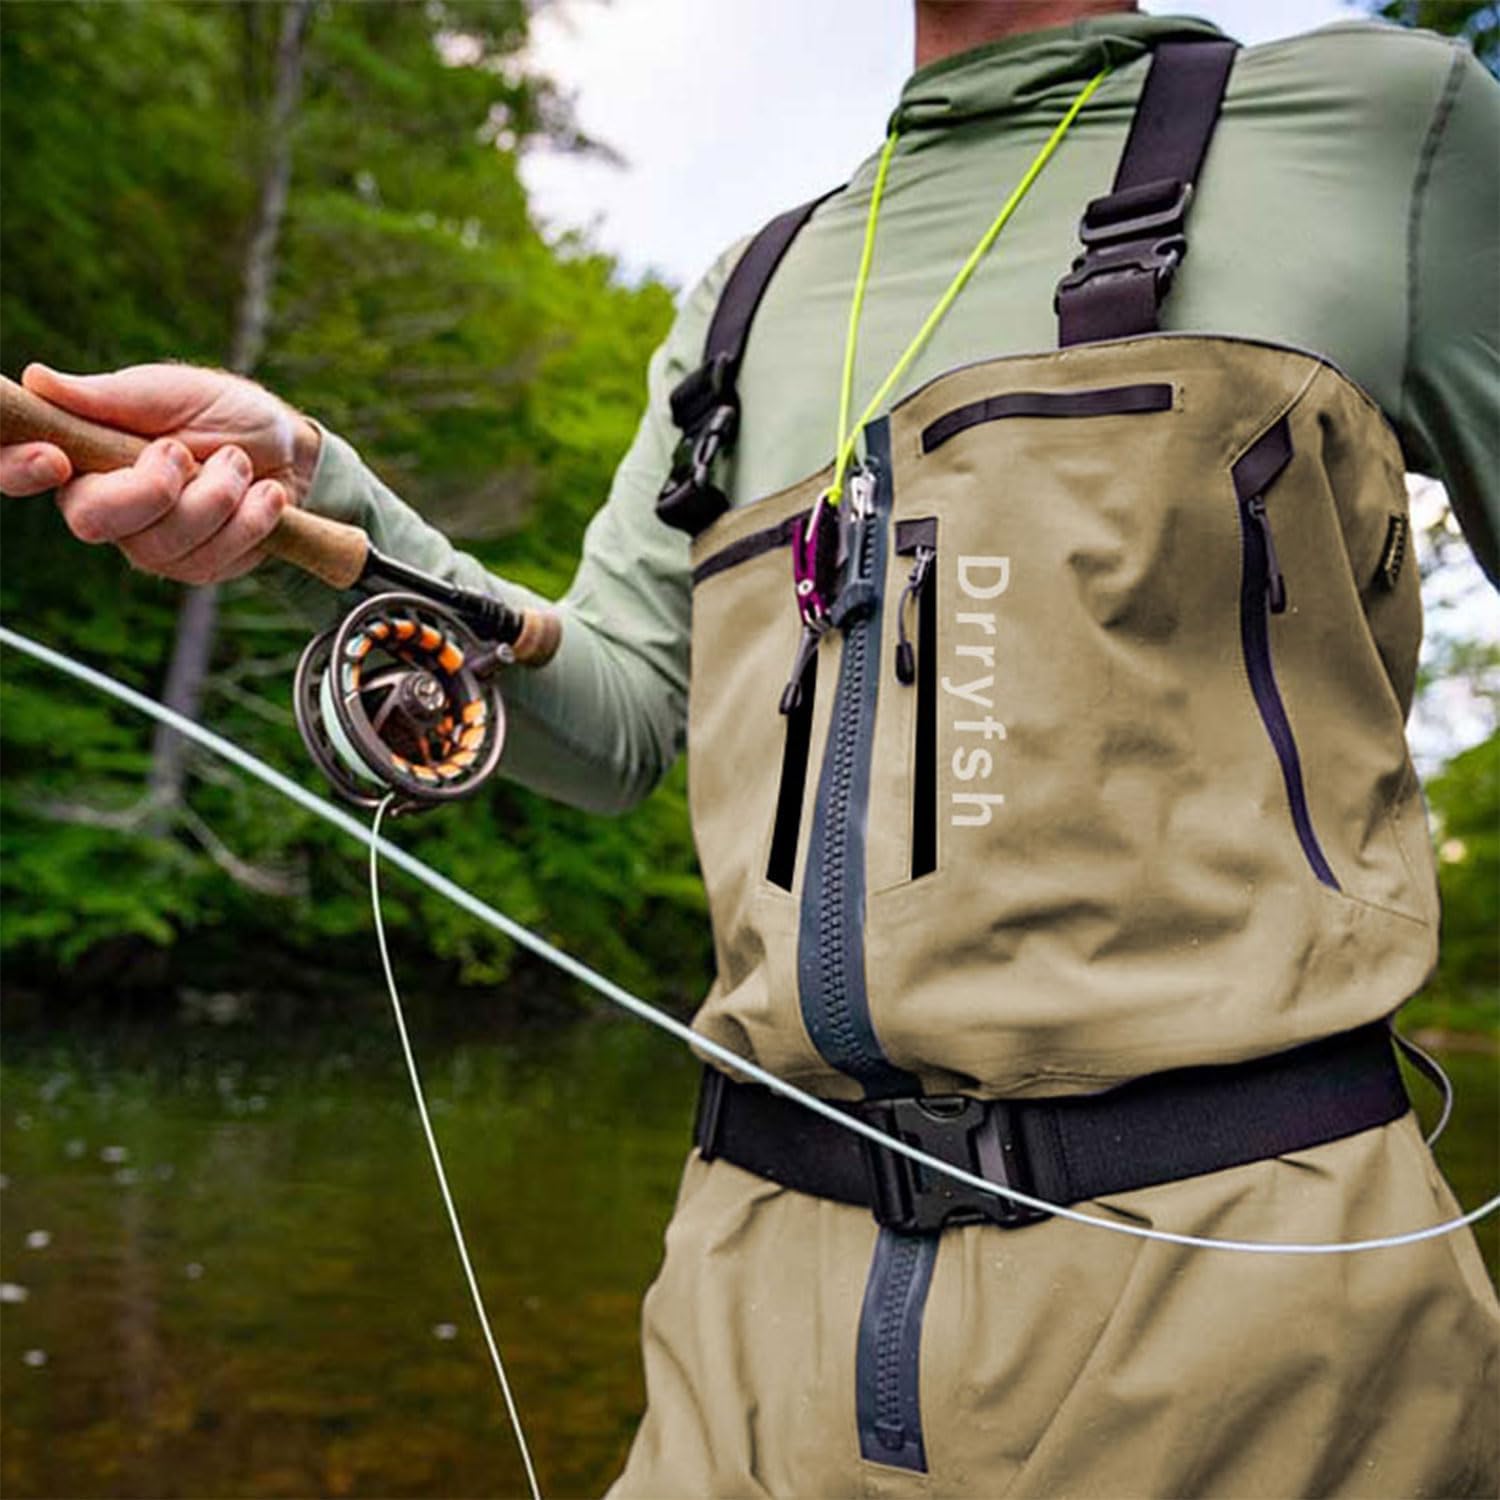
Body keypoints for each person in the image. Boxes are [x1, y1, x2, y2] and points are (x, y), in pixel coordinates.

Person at [3, 3, 1497, 1495]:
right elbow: (617, 723)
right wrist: (321, 491)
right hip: (744, 1316)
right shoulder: (748, 293)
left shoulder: (1384, 128)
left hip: (1258, 1326)